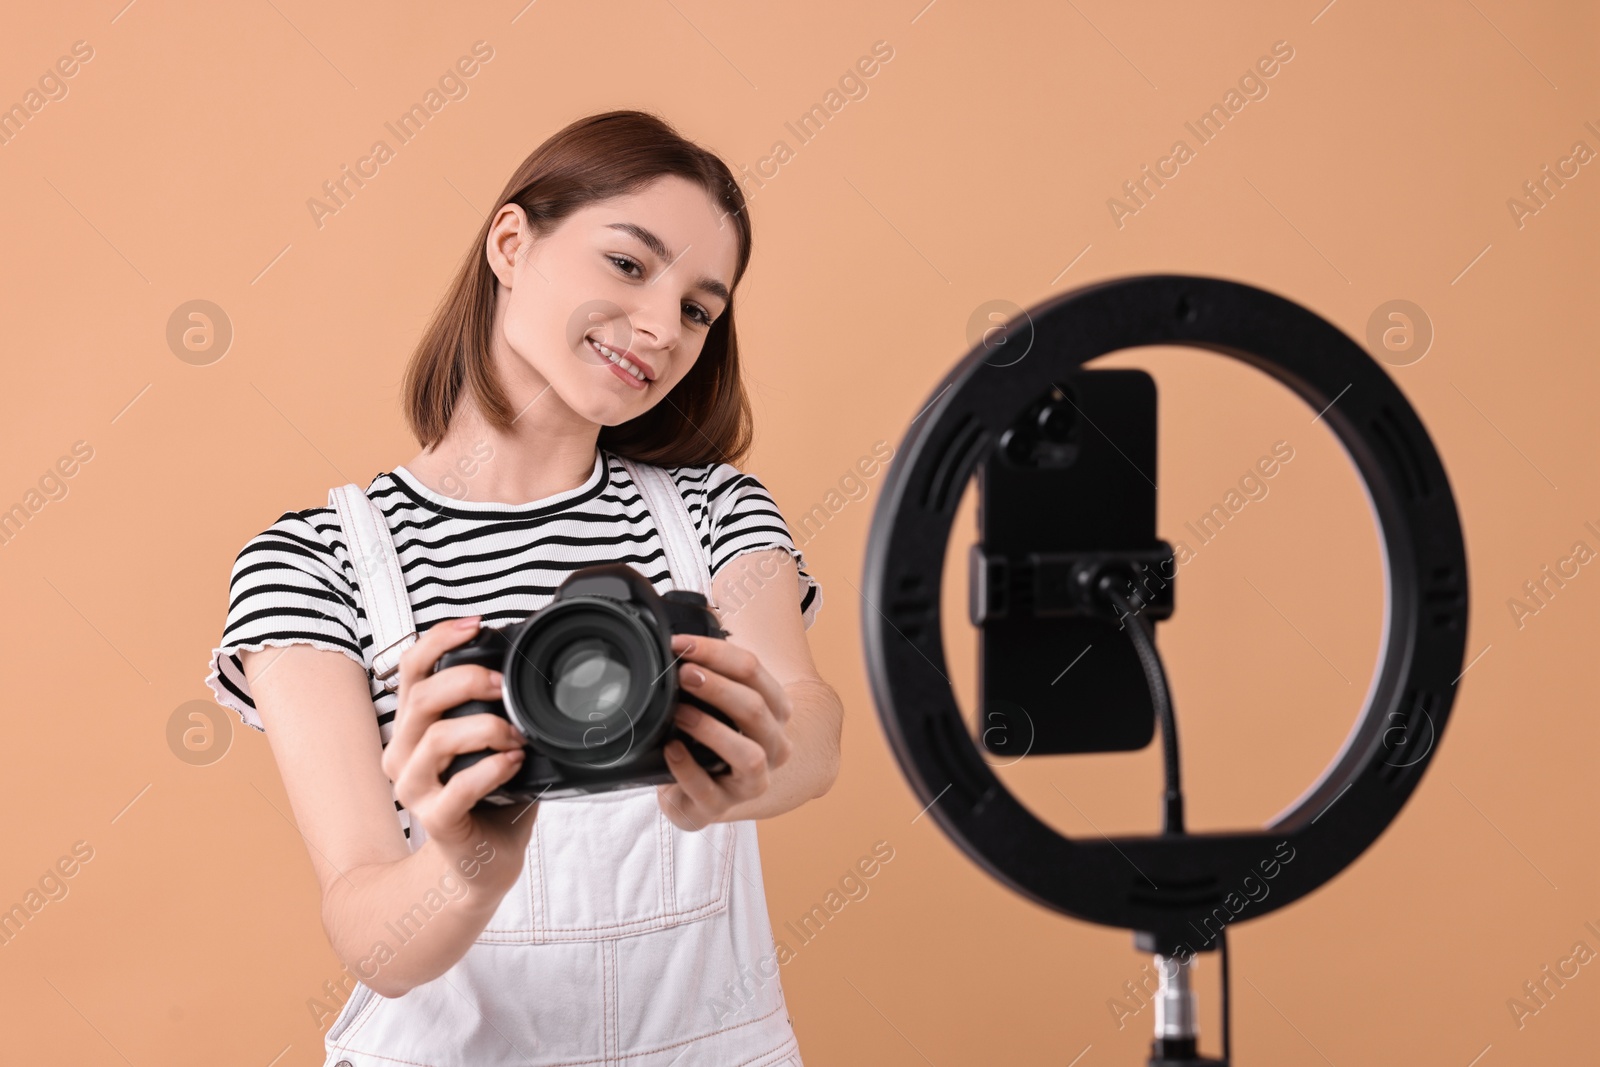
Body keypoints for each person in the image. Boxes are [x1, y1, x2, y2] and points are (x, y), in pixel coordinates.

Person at [203, 109, 842, 1066]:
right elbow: (366, 927)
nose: (663, 327)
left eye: (702, 308)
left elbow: (814, 728)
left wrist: (747, 760)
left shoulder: (714, 513)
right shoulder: (317, 561)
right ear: (512, 242)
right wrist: (465, 870)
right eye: (629, 264)